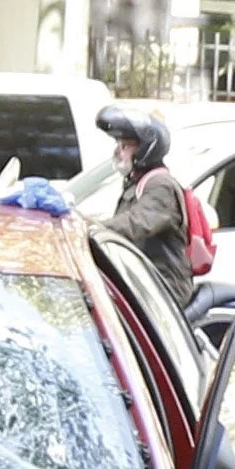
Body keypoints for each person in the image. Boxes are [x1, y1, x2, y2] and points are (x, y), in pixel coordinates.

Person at [92, 107, 208, 318]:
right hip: (145, 281)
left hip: (164, 287)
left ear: (146, 148)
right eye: (119, 144)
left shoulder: (160, 185)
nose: (119, 151)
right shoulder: (136, 182)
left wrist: (91, 228)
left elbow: (135, 224)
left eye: (126, 145)